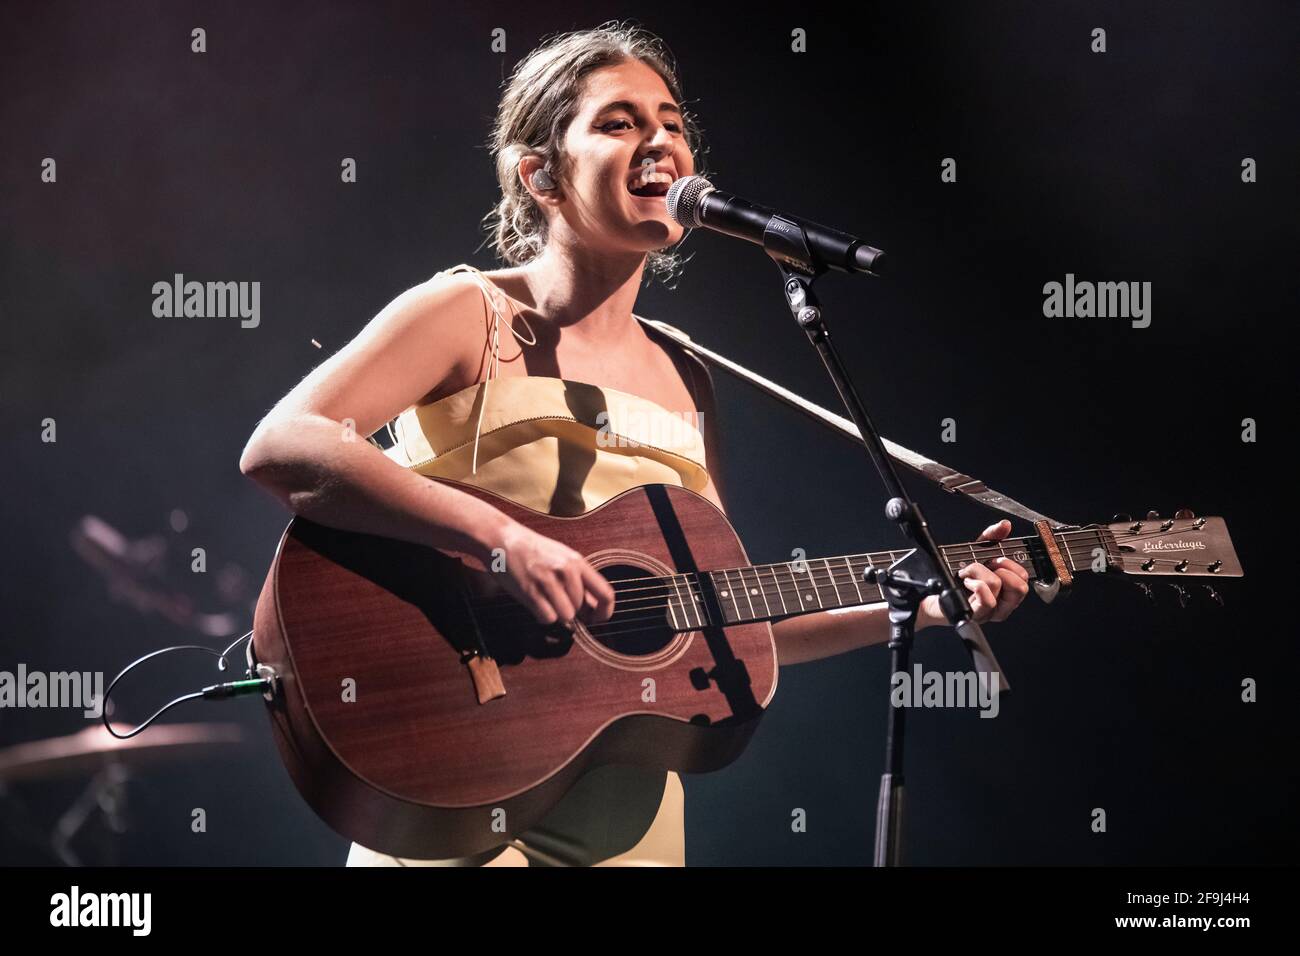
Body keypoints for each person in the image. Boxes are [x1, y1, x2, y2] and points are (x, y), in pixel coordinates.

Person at [238, 21, 1030, 867]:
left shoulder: (687, 376)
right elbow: (285, 444)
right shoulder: (466, 312)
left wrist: (926, 603)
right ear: (540, 174)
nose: (660, 141)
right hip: (459, 760)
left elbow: (721, 614)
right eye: (618, 123)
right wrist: (502, 541)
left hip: (632, 806)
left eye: (673, 123)